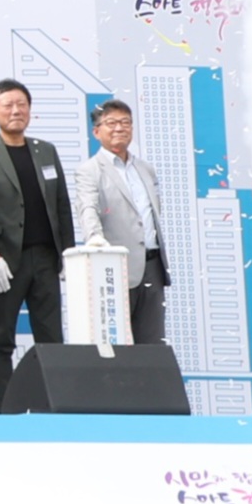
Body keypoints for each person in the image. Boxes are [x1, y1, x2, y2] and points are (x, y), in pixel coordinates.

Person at [0, 78, 77, 407]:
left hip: (46, 259)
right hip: (5, 261)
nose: (16, 111)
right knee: (1, 339)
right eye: (8, 105)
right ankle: (2, 412)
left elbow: (61, 204)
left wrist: (67, 253)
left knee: (52, 340)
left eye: (22, 104)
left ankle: (54, 409)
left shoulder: (45, 150)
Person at [71, 98, 171, 346]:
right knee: (116, 346)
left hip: (152, 266)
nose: (119, 128)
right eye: (111, 123)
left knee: (152, 345)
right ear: (96, 132)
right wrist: (94, 237)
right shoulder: (90, 170)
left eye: (125, 122)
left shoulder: (145, 169)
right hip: (115, 267)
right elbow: (87, 207)